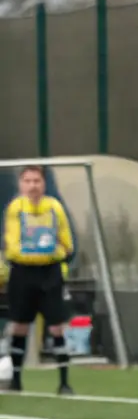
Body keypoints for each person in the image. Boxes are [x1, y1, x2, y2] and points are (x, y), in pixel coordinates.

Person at [2, 165, 74, 394]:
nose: (33, 186)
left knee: (56, 327)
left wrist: (55, 253)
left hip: (50, 274)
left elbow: (67, 243)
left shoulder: (54, 208)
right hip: (23, 273)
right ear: (21, 185)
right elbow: (12, 247)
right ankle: (16, 380)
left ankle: (64, 382)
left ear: (44, 184)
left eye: (37, 181)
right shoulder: (15, 208)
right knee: (20, 326)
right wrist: (30, 252)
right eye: (28, 181)